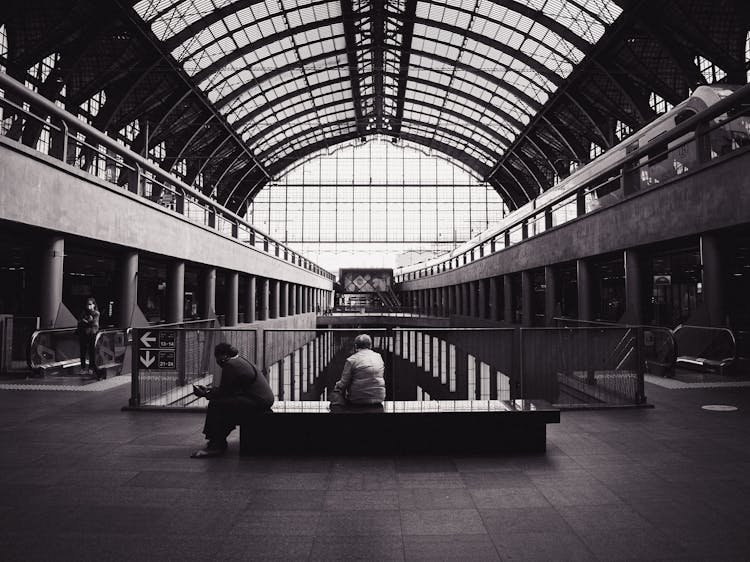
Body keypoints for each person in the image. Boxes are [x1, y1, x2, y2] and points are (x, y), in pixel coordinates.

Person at [191, 342, 275, 458]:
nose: (217, 361)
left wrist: (205, 394)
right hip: (262, 399)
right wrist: (209, 390)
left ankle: (216, 445)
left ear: (223, 356)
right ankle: (217, 440)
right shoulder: (240, 360)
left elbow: (225, 392)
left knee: (216, 405)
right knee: (225, 404)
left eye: (217, 357)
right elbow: (230, 389)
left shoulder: (230, 365)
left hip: (257, 402)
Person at [332, 334, 386, 409]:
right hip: (379, 397)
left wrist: (337, 385)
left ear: (356, 346)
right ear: (370, 346)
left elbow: (343, 383)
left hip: (358, 399)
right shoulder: (378, 357)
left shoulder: (351, 360)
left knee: (337, 391)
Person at [77, 297, 100, 378]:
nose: (89, 306)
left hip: (92, 334)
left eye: (90, 304)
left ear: (94, 305)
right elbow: (80, 321)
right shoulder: (84, 313)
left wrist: (86, 321)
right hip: (84, 334)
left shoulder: (96, 313)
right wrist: (87, 321)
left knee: (91, 352)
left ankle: (91, 368)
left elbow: (95, 324)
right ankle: (83, 368)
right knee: (82, 351)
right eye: (87, 304)